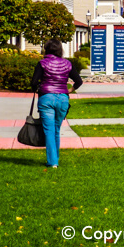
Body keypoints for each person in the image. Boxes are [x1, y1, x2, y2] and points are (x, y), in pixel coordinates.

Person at [30, 39, 83, 168]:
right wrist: (69, 90)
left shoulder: (42, 63)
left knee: (48, 130)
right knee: (56, 130)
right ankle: (55, 159)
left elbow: (33, 82)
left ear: (46, 49)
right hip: (63, 99)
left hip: (46, 98)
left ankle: (53, 162)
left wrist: (39, 89)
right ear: (60, 50)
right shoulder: (68, 64)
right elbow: (79, 81)